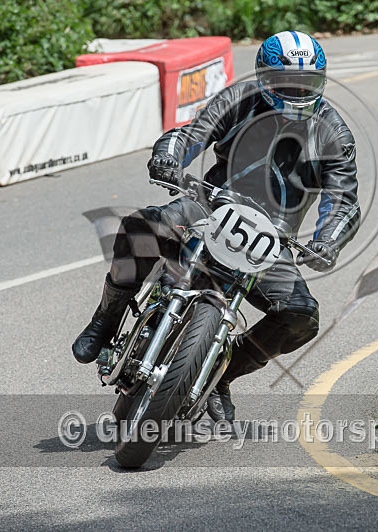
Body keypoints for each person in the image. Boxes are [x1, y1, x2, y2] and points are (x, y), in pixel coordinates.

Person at [72, 30, 359, 421]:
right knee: (143, 226)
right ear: (264, 79)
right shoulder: (238, 101)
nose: (296, 92)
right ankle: (105, 319)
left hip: (272, 236)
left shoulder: (334, 133)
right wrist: (168, 157)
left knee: (301, 315)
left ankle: (223, 371)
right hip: (208, 204)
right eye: (285, 83)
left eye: (306, 83)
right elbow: (190, 135)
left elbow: (343, 200)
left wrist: (329, 240)